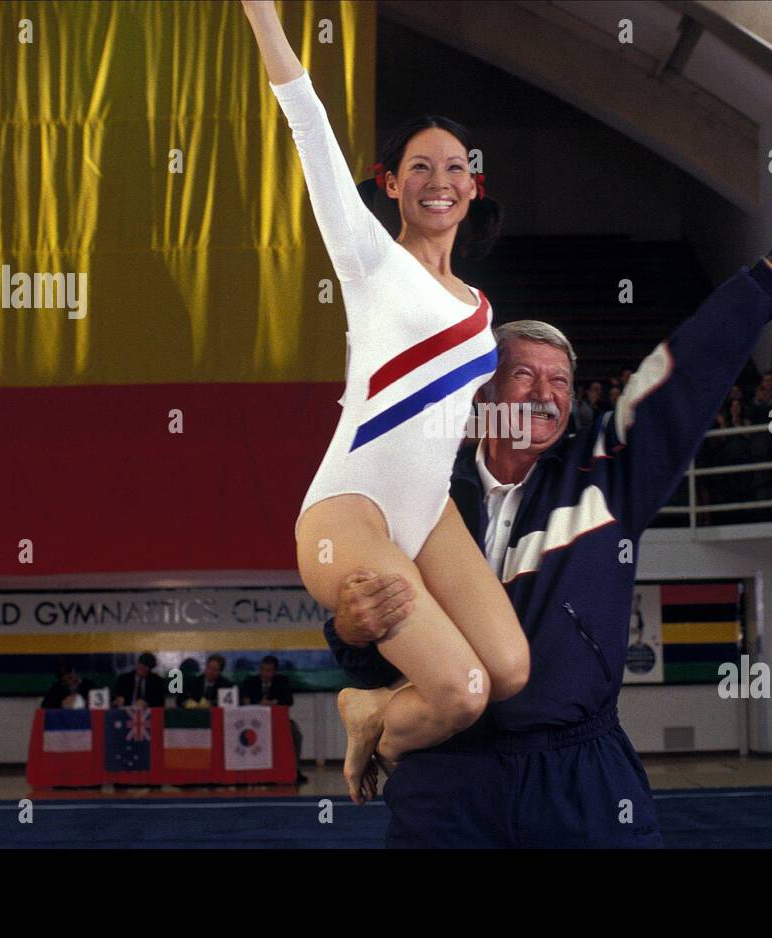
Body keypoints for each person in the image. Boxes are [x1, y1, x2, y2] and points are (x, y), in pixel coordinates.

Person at [323, 160, 772, 846]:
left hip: (581, 779)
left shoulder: (608, 478)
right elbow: (374, 645)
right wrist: (347, 630)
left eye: (560, 381)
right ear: (482, 394)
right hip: (446, 782)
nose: (546, 393)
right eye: (523, 375)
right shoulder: (414, 495)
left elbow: (688, 367)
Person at [244, 0, 528, 805]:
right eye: (420, 168)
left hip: (428, 511)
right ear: (391, 183)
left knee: (508, 671)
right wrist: (264, 14)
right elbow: (305, 117)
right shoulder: (370, 258)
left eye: (453, 168)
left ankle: (374, 702)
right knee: (461, 693)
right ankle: (368, 708)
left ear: (474, 186)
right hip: (350, 513)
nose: (438, 181)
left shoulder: (479, 306)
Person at [241, 655, 306, 783]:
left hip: (277, 722)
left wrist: (273, 702)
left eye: (269, 670)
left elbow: (289, 700)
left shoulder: (282, 681)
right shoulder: (250, 681)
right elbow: (244, 700)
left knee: (296, 734)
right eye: (262, 669)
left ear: (274, 671)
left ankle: (294, 770)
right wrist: (259, 703)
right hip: (254, 723)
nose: (265, 673)